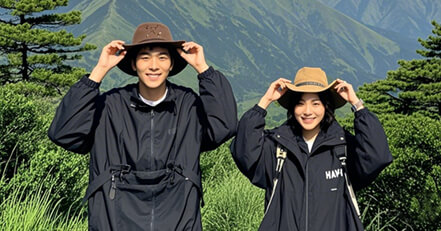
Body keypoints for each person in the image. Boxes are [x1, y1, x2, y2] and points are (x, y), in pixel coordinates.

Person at [49, 22, 237, 231]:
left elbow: (225, 125)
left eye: (162, 57)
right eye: (145, 57)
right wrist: (98, 72)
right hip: (115, 219)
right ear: (133, 64)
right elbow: (64, 133)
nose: (154, 66)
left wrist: (204, 70)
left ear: (172, 64)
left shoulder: (187, 105)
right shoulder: (110, 106)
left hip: (178, 220)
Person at [230, 67, 393, 231]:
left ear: (326, 107)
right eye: (300, 104)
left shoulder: (342, 148)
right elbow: (244, 150)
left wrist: (357, 105)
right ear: (293, 108)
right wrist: (264, 102)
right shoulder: (278, 147)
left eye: (316, 103)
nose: (308, 111)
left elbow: (377, 155)